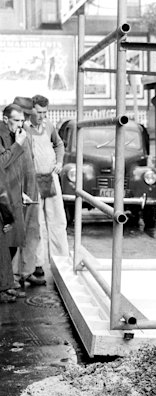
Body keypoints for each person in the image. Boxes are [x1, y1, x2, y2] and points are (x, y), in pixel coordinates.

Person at [25, 95, 69, 276]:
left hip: (50, 178)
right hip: (33, 180)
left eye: (45, 112)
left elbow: (59, 144)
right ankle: (37, 264)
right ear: (32, 110)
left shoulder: (49, 126)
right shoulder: (25, 128)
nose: (42, 116)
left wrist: (59, 162)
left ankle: (61, 260)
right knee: (37, 223)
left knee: (57, 219)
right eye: (39, 112)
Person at [0, 103, 42, 289]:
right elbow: (2, 162)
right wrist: (17, 144)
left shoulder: (14, 134)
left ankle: (7, 282)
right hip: (3, 194)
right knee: (6, 243)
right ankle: (5, 284)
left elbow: (15, 167)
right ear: (6, 119)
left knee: (13, 241)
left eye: (22, 120)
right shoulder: (4, 136)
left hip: (13, 192)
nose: (20, 124)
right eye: (16, 120)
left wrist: (21, 192)